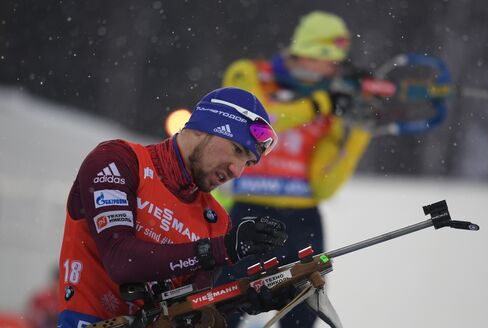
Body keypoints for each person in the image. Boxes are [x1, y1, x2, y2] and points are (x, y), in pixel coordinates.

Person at [57, 87, 289, 327]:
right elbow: (120, 259)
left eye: (248, 163)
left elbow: (188, 311)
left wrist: (242, 301)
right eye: (237, 150)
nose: (237, 171)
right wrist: (221, 249)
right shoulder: (117, 160)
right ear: (203, 129)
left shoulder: (216, 220)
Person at [218, 11, 372, 327]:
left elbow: (323, 186)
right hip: (248, 210)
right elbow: (258, 120)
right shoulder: (250, 73)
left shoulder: (329, 101)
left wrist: (358, 130)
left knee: (302, 311)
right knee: (224, 305)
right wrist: (318, 104)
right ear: (311, 53)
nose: (334, 69)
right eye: (330, 60)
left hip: (302, 219)